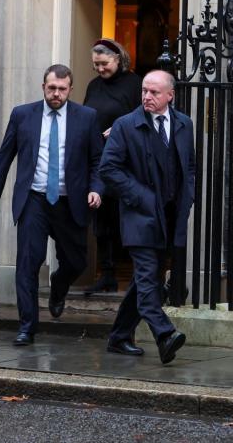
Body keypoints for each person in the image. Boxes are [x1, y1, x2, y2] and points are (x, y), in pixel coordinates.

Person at [0, 65, 104, 346]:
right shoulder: (23, 115)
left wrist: (96, 189)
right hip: (34, 200)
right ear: (43, 87)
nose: (56, 94)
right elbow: (4, 158)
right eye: (51, 88)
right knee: (28, 263)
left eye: (62, 89)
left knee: (76, 262)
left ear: (70, 89)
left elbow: (97, 160)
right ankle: (27, 326)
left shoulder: (87, 117)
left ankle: (59, 286)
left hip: (69, 201)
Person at [98, 70, 195, 364]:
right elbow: (109, 170)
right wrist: (141, 196)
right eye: (144, 91)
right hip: (139, 215)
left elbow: (188, 167)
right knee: (147, 276)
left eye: (154, 92)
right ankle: (164, 333)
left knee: (146, 280)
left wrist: (187, 199)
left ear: (170, 95)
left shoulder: (183, 124)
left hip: (169, 216)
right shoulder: (126, 125)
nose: (147, 97)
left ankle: (118, 337)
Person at [82, 38, 143, 295]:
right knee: (102, 220)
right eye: (96, 64)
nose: (99, 69)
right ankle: (106, 275)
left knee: (126, 218)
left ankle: (136, 277)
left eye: (104, 63)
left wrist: (119, 128)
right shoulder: (94, 86)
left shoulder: (135, 84)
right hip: (99, 161)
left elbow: (144, 116)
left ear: (118, 58)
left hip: (127, 162)